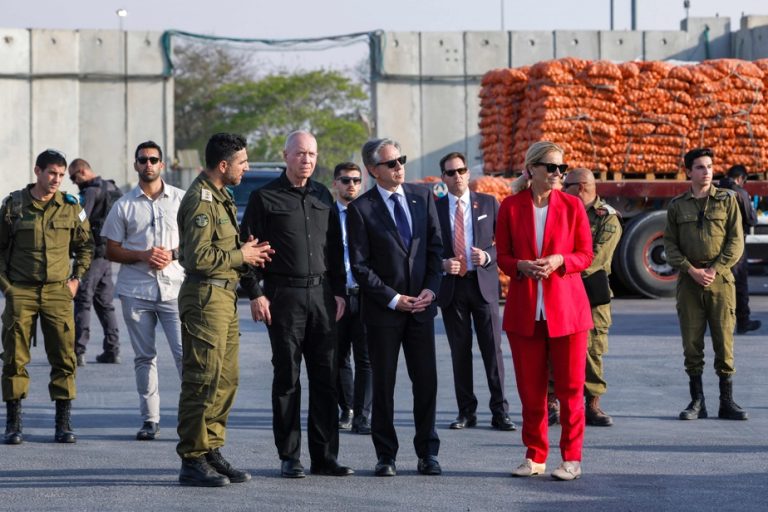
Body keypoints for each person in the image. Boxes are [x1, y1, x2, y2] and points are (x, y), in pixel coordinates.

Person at [241, 130, 352, 479]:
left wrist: (339, 292)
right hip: (283, 297)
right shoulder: (264, 198)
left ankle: (325, 457)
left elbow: (335, 249)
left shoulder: (322, 194)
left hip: (322, 296)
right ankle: (290, 456)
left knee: (325, 379)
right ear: (286, 155)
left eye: (312, 155)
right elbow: (247, 251)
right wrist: (255, 293)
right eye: (301, 153)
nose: (307, 160)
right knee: (287, 377)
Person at [176, 133, 273, 487]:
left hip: (224, 297)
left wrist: (245, 249)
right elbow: (196, 257)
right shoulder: (201, 201)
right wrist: (241, 256)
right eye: (242, 162)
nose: (246, 168)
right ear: (223, 165)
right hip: (205, 299)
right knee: (202, 380)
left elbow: (219, 248)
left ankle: (211, 449)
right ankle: (192, 457)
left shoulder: (221, 197)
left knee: (225, 379)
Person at [496, 141, 593, 481]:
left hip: (567, 312)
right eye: (551, 167)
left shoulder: (572, 206)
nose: (557, 174)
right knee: (531, 391)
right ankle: (535, 456)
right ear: (531, 169)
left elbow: (586, 255)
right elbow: (503, 257)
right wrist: (521, 265)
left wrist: (560, 260)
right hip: (525, 312)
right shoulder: (509, 207)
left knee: (570, 391)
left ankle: (571, 459)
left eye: (561, 169)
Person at [347, 138, 443, 477]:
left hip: (421, 309)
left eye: (400, 160)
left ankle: (427, 453)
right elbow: (360, 265)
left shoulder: (422, 197)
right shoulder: (361, 209)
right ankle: (385, 455)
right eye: (390, 163)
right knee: (383, 385)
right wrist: (393, 298)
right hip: (384, 312)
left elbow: (435, 249)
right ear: (373, 170)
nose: (399, 166)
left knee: (426, 383)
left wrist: (432, 289)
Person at [1, 149, 93, 445]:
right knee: (14, 358)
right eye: (51, 173)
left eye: (61, 175)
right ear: (37, 171)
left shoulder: (71, 207)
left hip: (57, 291)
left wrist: (76, 279)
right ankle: (14, 423)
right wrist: (8, 288)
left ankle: (63, 423)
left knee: (65, 357)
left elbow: (86, 246)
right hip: (22, 290)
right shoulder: (13, 206)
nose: (56, 180)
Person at [100, 141, 184, 441]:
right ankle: (150, 419)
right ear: (135, 165)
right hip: (137, 290)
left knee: (185, 355)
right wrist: (142, 255)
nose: (148, 164)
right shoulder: (123, 205)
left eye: (153, 159)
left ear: (162, 164)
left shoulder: (180, 200)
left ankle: (192, 419)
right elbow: (111, 250)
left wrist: (171, 255)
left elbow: (196, 243)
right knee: (144, 357)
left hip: (175, 289)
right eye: (142, 160)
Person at [664, 147, 748, 422]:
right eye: (700, 167)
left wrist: (714, 269)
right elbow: (670, 246)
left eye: (710, 166)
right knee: (692, 343)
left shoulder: (727, 200)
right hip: (689, 283)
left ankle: (727, 400)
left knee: (724, 342)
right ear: (689, 171)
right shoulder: (677, 205)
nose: (707, 171)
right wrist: (691, 270)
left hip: (720, 281)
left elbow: (736, 242)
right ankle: (697, 400)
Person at [435, 152, 514, 432]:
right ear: (443, 178)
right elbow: (424, 251)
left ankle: (500, 411)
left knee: (492, 350)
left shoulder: (489, 203)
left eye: (461, 170)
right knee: (460, 352)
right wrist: (443, 263)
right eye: (451, 172)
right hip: (452, 287)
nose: (457, 176)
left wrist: (488, 256)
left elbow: (505, 245)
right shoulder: (435, 207)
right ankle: (466, 411)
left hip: (483, 286)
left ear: (469, 173)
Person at [563, 168, 622, 427]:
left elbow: (595, 259)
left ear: (580, 187)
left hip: (590, 291)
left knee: (593, 348)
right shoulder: (562, 211)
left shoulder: (607, 219)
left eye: (566, 185)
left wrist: (559, 265)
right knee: (557, 345)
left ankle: (592, 402)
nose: (561, 189)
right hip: (564, 289)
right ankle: (554, 400)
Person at [331, 162, 372, 435]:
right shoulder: (326, 215)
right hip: (337, 295)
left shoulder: (370, 213)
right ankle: (347, 408)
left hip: (366, 294)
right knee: (338, 357)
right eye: (346, 180)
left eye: (356, 180)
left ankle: (363, 416)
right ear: (335, 183)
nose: (351, 185)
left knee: (366, 358)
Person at [68, 158, 122, 366]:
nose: (74, 182)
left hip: (92, 254)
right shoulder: (112, 187)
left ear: (83, 171)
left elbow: (80, 220)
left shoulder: (90, 192)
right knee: (104, 303)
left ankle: (78, 351)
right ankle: (112, 349)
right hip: (108, 252)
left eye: (74, 177)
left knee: (83, 299)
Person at [718, 165, 760, 334]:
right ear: (741, 178)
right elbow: (751, 220)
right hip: (736, 245)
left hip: (716, 244)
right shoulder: (740, 193)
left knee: (719, 283)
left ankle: (718, 321)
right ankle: (743, 321)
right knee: (739, 283)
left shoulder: (715, 191)